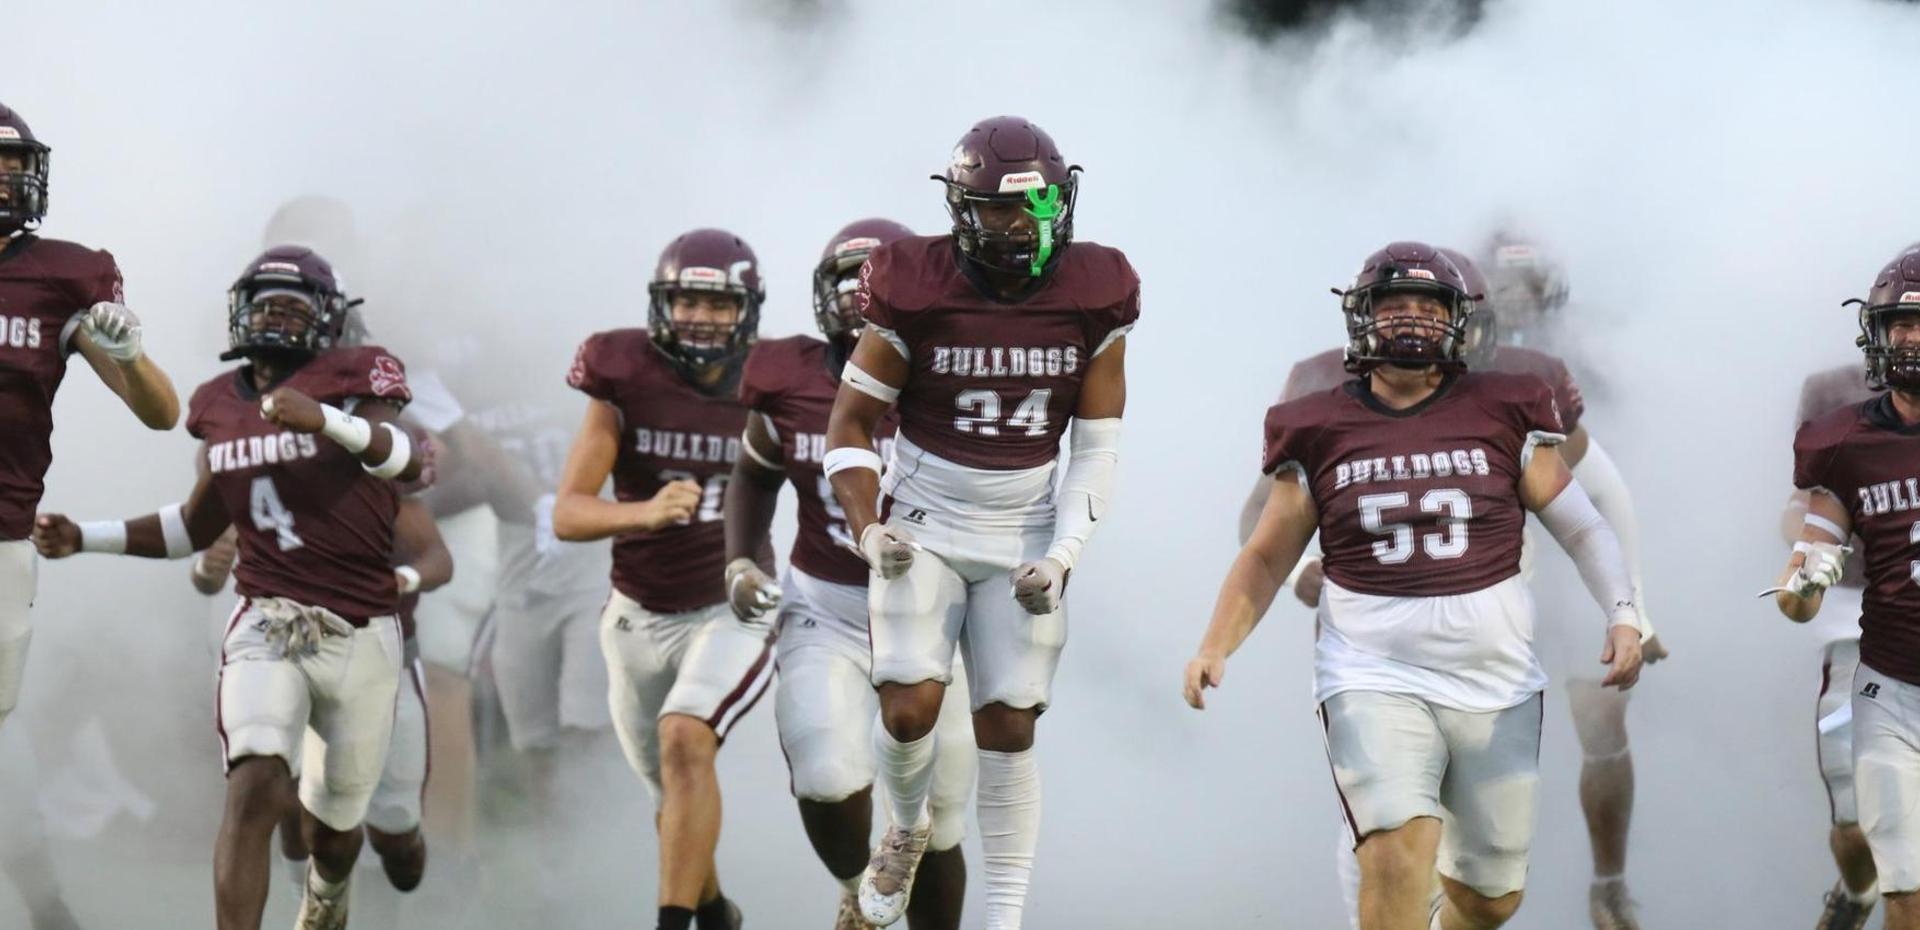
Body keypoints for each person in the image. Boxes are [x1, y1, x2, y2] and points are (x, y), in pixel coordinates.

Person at [1186, 241, 1642, 930]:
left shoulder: (1516, 396)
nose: (1409, 322)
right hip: (1370, 661)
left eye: (1428, 308)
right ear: (1359, 316)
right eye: (1393, 305)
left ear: (1466, 319)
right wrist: (1218, 642)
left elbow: (1589, 515)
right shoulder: (1317, 409)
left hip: (1494, 666)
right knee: (1394, 844)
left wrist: (1628, 610)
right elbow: (1263, 544)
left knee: (1492, 894)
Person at [33, 245, 420, 930]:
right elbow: (193, 524)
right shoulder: (217, 405)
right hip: (266, 618)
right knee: (253, 786)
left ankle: (329, 894)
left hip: (360, 628)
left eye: (293, 304)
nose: (275, 314)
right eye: (264, 301)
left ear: (329, 319)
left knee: (334, 834)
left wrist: (325, 419)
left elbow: (409, 462)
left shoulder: (357, 379)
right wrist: (85, 536)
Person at [825, 116, 1138, 930]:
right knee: (907, 711)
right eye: (997, 209)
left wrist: (1064, 555)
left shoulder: (1095, 290)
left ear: (1060, 198)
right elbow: (849, 426)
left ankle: (1003, 919)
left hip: (1025, 527)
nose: (1017, 224)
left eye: (1033, 204)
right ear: (960, 210)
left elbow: (1096, 450)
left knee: (1007, 725)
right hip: (926, 520)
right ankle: (906, 825)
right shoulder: (916, 281)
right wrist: (869, 530)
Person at [725, 218, 976, 930]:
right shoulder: (792, 380)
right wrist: (742, 560)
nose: (860, 296)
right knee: (827, 778)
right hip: (829, 607)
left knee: (939, 819)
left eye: (878, 281)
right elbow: (753, 476)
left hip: (934, 616)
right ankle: (857, 886)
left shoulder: (958, 379)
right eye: (847, 280)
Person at [553, 228, 778, 930]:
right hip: (636, 616)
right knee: (670, 789)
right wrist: (644, 512)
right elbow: (567, 512)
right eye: (688, 300)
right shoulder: (623, 373)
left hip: (731, 603)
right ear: (662, 302)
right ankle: (714, 914)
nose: (703, 318)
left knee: (684, 742)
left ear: (747, 310)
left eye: (719, 304)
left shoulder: (773, 381)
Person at [1772, 246, 1920, 930]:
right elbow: (1801, 519)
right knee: (1861, 822)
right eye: (1901, 323)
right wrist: (1809, 565)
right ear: (1876, 331)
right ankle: (1857, 888)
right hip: (1863, 628)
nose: (1912, 338)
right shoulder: (1839, 422)